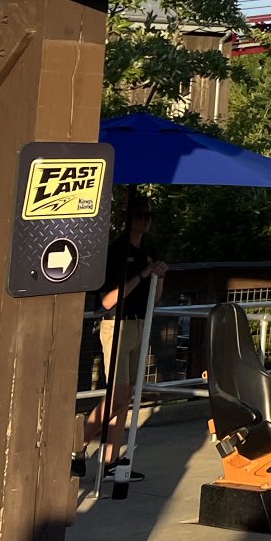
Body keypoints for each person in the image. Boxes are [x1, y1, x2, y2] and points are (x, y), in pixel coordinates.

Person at [90, 194, 166, 481]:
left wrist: (159, 276)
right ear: (128, 219)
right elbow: (108, 300)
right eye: (139, 216)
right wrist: (143, 274)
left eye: (148, 216)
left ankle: (112, 458)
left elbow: (154, 298)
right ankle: (80, 442)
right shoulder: (116, 252)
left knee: (128, 395)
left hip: (138, 323)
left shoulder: (148, 249)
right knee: (118, 394)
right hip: (117, 324)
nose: (144, 221)